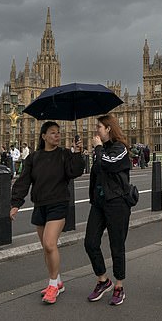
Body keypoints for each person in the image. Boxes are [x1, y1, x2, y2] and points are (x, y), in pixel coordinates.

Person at [10, 121, 84, 304]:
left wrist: (77, 153)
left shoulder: (65, 154)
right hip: (40, 205)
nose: (57, 136)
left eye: (58, 133)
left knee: (50, 244)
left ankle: (52, 285)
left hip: (58, 204)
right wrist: (15, 204)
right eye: (52, 133)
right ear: (43, 136)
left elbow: (75, 172)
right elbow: (23, 181)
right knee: (46, 247)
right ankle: (57, 281)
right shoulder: (34, 158)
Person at [84, 114, 132, 306]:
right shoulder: (101, 150)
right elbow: (96, 171)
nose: (96, 130)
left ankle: (119, 286)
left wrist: (97, 148)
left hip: (117, 203)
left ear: (109, 129)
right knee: (90, 242)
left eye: (99, 127)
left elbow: (110, 163)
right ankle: (103, 280)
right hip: (100, 203)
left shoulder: (121, 149)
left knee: (116, 245)